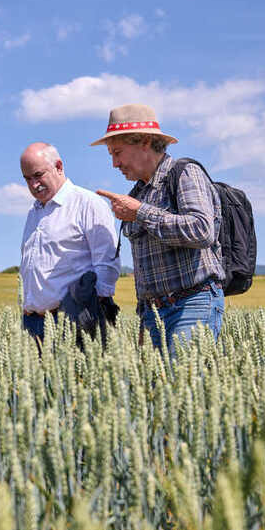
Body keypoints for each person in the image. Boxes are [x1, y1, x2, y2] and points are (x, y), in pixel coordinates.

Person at [92, 104, 225, 354]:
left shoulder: (185, 174)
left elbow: (201, 230)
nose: (114, 163)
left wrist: (139, 212)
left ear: (144, 142)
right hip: (154, 314)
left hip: (192, 305)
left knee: (181, 387)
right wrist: (145, 316)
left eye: (117, 152)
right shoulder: (139, 192)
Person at [19, 142, 121, 344]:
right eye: (27, 179)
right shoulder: (34, 212)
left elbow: (107, 266)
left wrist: (87, 314)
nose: (33, 185)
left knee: (73, 377)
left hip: (70, 321)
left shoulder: (87, 203)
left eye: (38, 175)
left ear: (58, 166)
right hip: (32, 323)